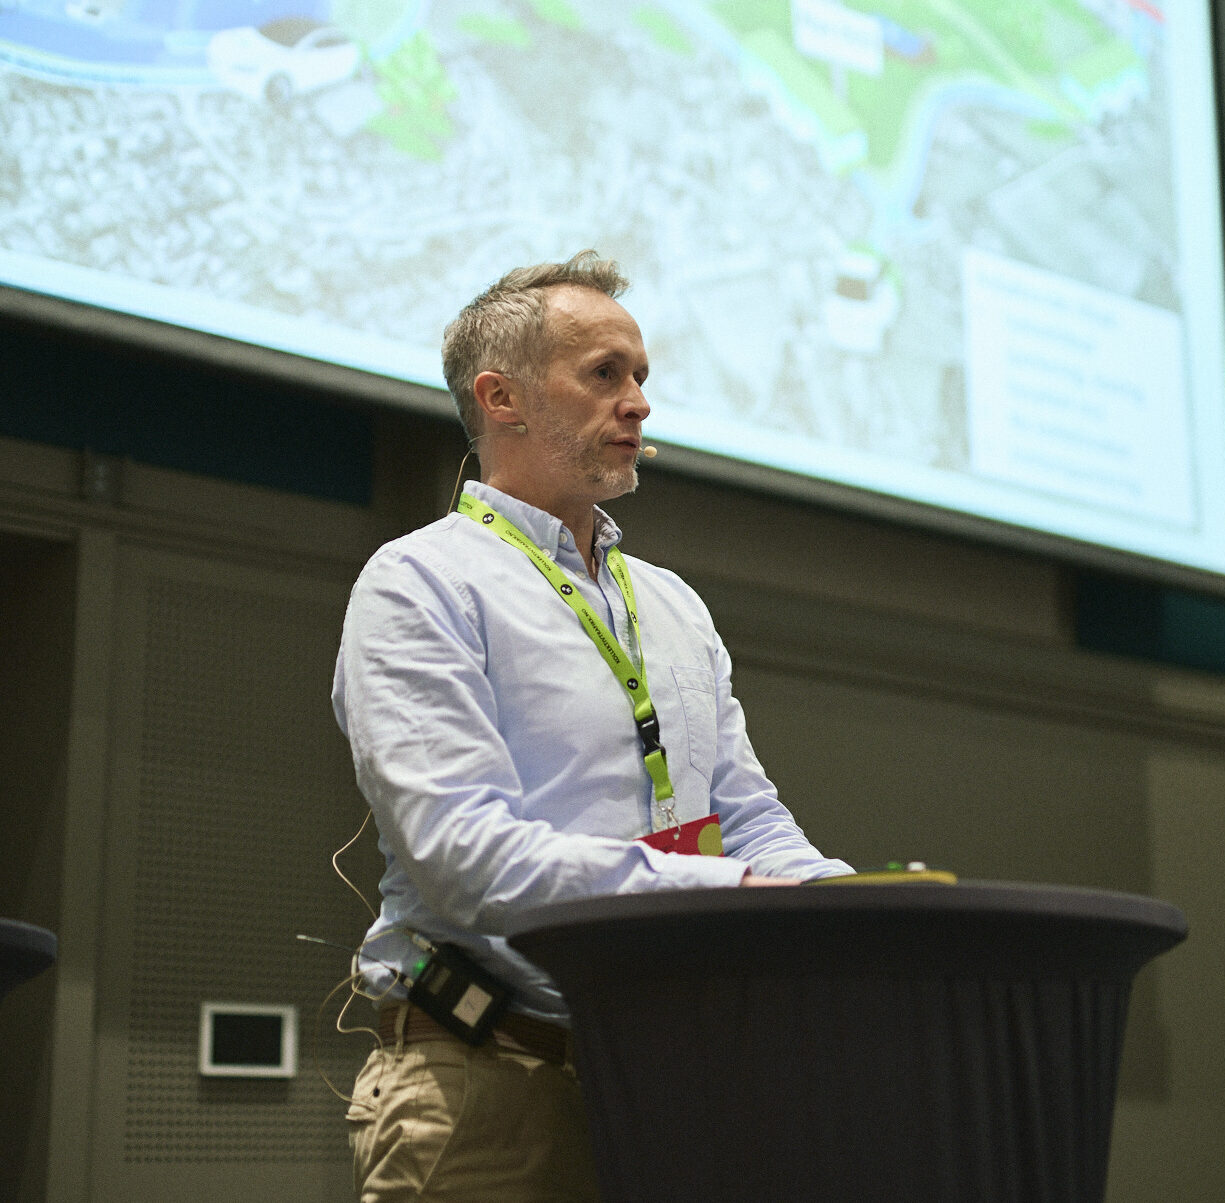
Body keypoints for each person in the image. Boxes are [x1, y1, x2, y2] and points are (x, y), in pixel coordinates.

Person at [333, 250, 854, 1201]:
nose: (639, 403)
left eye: (642, 376)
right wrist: (724, 890)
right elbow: (463, 851)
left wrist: (853, 906)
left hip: (673, 1088)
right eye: (604, 373)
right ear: (504, 397)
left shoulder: (673, 605)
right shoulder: (420, 584)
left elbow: (748, 818)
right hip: (484, 1082)